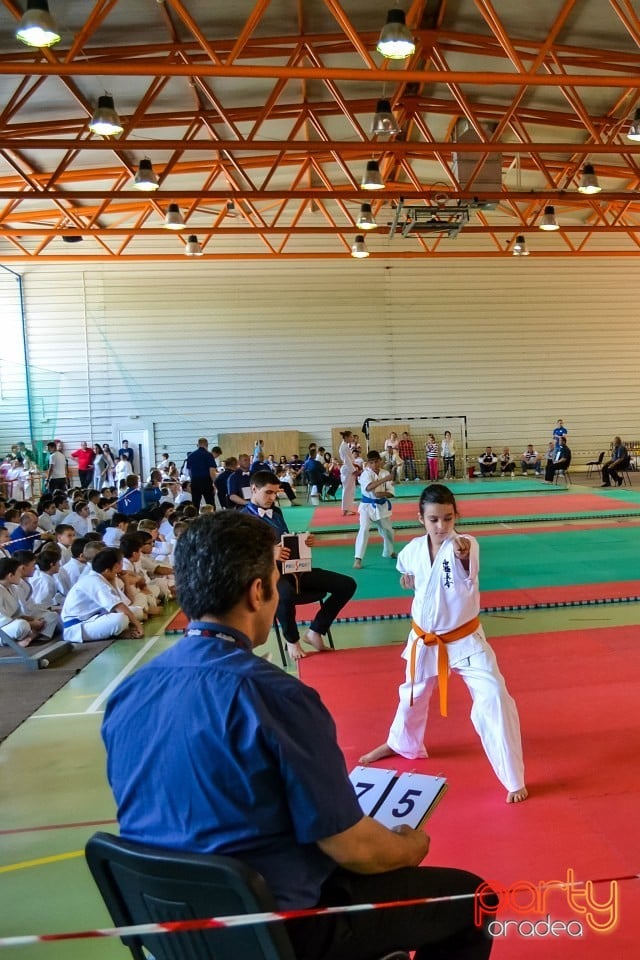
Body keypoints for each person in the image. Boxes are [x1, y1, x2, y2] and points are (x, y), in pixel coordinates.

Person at [101, 510, 495, 960]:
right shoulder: (275, 697)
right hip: (280, 930)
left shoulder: (127, 694)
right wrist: (409, 845)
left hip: (169, 927)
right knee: (473, 900)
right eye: (276, 578)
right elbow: (355, 847)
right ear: (258, 591)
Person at [360, 484, 527, 805]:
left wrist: (462, 557)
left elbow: (467, 572)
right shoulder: (411, 549)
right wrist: (406, 578)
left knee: (493, 693)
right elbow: (405, 568)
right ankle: (401, 743)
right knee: (412, 692)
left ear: (456, 517)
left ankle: (513, 775)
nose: (441, 527)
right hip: (424, 639)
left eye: (447, 519)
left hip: (465, 639)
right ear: (421, 518)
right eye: (434, 519)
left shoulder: (466, 546)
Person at [243, 471, 356, 660]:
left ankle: (315, 631)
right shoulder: (241, 519)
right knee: (284, 594)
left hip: (295, 570)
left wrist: (303, 540)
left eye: (275, 493)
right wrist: (270, 553)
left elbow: (285, 539)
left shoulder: (277, 512)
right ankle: (292, 640)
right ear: (254, 489)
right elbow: (241, 557)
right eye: (268, 493)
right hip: (267, 576)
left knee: (347, 584)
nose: (272, 498)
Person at [61, 547, 144, 643]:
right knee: (121, 619)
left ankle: (118, 631)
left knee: (136, 611)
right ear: (108, 570)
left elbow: (119, 602)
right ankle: (119, 632)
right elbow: (119, 606)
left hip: (95, 618)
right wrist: (139, 626)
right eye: (119, 563)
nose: (121, 567)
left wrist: (114, 579)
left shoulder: (102, 577)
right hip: (78, 626)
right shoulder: (94, 581)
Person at [353, 451, 395, 569]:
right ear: (368, 463)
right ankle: (358, 558)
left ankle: (389, 552)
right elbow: (369, 487)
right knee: (364, 529)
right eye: (371, 463)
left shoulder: (385, 472)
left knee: (388, 530)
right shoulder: (365, 474)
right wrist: (385, 479)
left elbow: (391, 493)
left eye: (376, 462)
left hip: (381, 506)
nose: (374, 465)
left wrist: (383, 494)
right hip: (367, 507)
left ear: (380, 461)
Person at [185, 438, 218, 511]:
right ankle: (213, 518)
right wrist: (215, 484)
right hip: (206, 481)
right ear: (207, 445)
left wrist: (192, 480)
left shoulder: (191, 455)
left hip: (195, 481)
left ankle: (195, 518)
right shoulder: (208, 455)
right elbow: (212, 471)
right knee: (210, 503)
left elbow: (189, 471)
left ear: (198, 445)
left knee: (195, 503)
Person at [338, 430, 358, 516]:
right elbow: (347, 461)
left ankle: (348, 509)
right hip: (348, 470)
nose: (352, 438)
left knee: (350, 490)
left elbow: (350, 460)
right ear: (346, 437)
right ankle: (345, 510)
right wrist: (354, 471)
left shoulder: (346, 445)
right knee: (347, 490)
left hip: (349, 469)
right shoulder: (343, 447)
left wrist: (355, 467)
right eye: (351, 436)